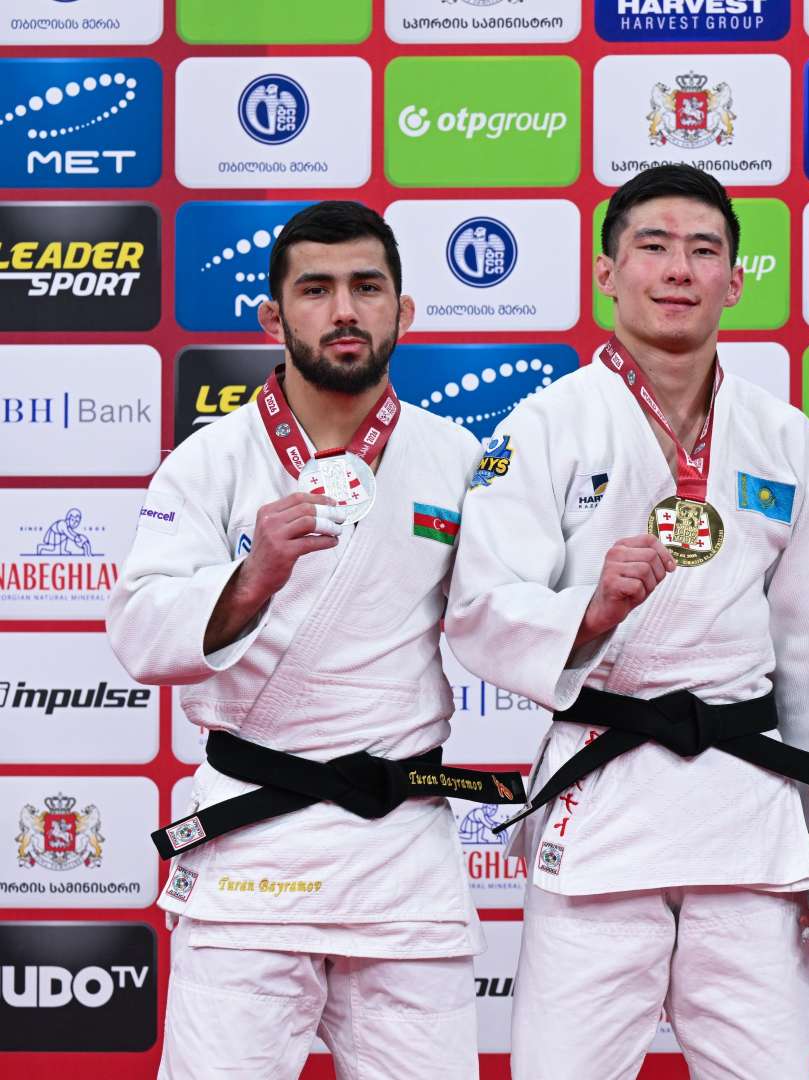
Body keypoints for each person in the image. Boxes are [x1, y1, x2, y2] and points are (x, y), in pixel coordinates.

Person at [443, 163, 809, 1080]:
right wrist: (589, 612)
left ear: (735, 282)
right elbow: (479, 608)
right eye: (652, 247)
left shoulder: (783, 439)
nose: (678, 269)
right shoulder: (542, 427)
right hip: (605, 801)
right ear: (605, 273)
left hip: (746, 810)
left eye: (704, 251)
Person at [107, 201, 514, 1080]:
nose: (344, 311)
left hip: (398, 847)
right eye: (316, 289)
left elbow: (504, 622)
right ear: (272, 316)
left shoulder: (456, 459)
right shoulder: (208, 462)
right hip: (256, 850)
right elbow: (140, 634)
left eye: (367, 287)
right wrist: (253, 577)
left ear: (404, 311)